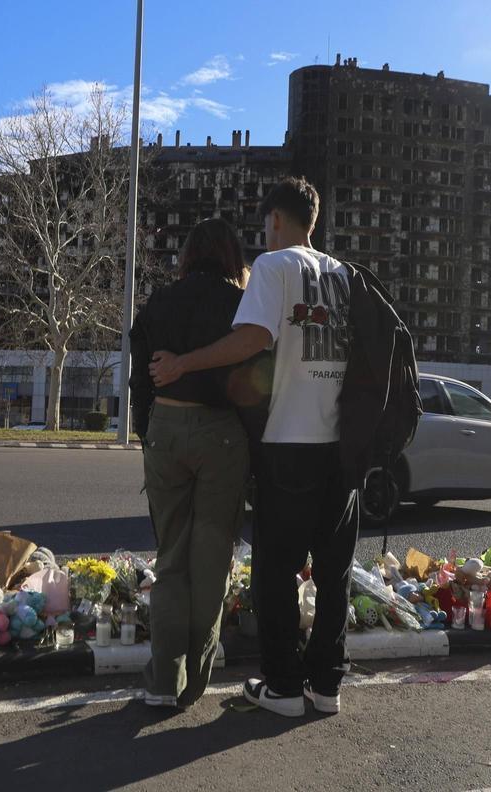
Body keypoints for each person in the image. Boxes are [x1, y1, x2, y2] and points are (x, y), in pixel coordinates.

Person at [150, 177, 357, 717]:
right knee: (332, 573)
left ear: (276, 221)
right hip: (341, 447)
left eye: (266, 225)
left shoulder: (274, 267)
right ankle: (326, 685)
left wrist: (182, 364)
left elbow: (251, 340)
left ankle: (284, 687)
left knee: (276, 570)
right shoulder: (343, 276)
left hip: (288, 442)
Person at [129, 217, 255, 709]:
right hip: (223, 435)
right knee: (212, 560)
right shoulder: (242, 305)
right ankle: (196, 681)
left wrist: (148, 434)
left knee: (171, 558)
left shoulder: (161, 302)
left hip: (166, 429)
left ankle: (164, 679)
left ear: (188, 256)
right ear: (231, 256)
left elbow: (141, 380)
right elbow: (254, 386)